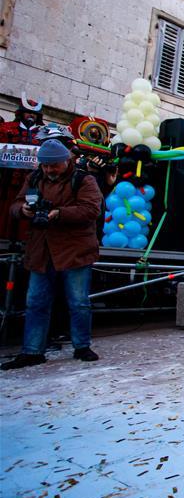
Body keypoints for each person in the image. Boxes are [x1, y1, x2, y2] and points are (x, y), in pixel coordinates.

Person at [2, 140, 103, 370]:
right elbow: (16, 204)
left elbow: (91, 210)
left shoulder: (84, 180)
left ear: (65, 162)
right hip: (41, 250)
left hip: (75, 250)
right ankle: (32, 350)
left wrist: (59, 213)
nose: (49, 170)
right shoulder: (35, 178)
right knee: (35, 302)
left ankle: (81, 346)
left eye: (53, 166)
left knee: (78, 302)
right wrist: (23, 210)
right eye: (45, 166)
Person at [0, 95, 44, 241]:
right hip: (8, 181)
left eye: (34, 113)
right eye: (28, 112)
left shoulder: (43, 134)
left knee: (28, 210)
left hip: (33, 183)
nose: (31, 115)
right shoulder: (6, 129)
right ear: (20, 113)